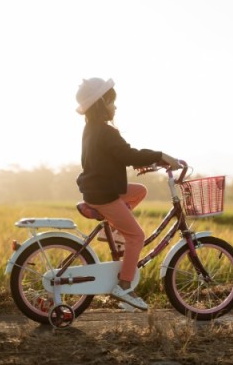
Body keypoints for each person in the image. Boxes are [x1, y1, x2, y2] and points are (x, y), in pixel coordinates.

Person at [75, 77, 180, 310]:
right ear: (102, 103)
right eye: (112, 102)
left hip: (97, 189)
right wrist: (160, 155)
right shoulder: (106, 132)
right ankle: (123, 287)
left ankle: (114, 230)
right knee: (137, 237)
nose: (115, 107)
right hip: (104, 195)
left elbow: (114, 156)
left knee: (139, 191)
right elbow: (128, 154)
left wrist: (141, 162)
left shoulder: (91, 129)